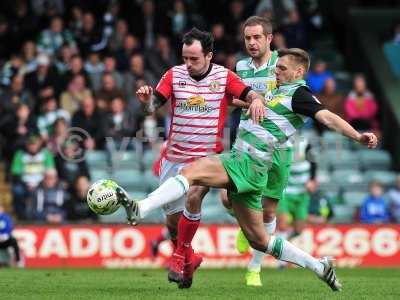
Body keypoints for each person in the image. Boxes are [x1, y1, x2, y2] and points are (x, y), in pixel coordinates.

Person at [120, 48, 378, 291]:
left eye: (283, 69)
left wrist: (357, 136)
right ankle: (320, 267)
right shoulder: (277, 93)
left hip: (247, 162)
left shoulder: (300, 95)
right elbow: (237, 102)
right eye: (276, 68)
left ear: (299, 72)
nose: (276, 72)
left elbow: (327, 117)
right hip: (252, 169)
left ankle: (141, 208)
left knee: (191, 172)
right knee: (260, 240)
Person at [129, 27, 265, 288]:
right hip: (174, 159)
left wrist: (257, 101)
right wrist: (145, 101)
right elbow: (151, 108)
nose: (188, 64)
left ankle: (180, 256)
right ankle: (190, 261)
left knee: (194, 198)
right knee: (172, 224)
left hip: (205, 159)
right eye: (185, 58)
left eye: (194, 58)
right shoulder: (173, 74)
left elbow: (250, 94)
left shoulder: (224, 77)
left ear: (209, 56)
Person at [222, 16, 294, 287]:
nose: (251, 43)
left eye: (256, 38)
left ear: (268, 39)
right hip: (247, 142)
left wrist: (266, 102)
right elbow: (235, 97)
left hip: (279, 146)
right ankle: (243, 224)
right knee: (227, 200)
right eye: (247, 38)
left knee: (268, 213)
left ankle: (254, 268)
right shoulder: (241, 66)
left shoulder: (283, 64)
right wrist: (251, 101)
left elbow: (293, 97)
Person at [276, 135, 315, 244]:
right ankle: (281, 257)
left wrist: (312, 180)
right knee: (283, 224)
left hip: (302, 192)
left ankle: (283, 243)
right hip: (285, 192)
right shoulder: (278, 144)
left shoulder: (305, 143)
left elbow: (314, 163)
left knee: (299, 229)